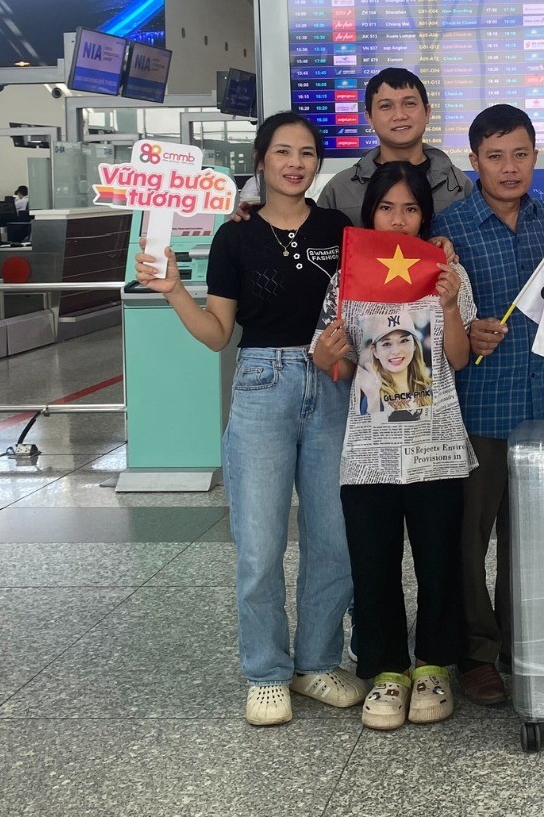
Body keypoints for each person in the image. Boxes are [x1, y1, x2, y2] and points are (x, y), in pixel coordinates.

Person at [134, 111, 365, 726]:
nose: (296, 163)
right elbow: (218, 333)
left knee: (333, 538)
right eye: (282, 151)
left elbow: (365, 308)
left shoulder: (339, 229)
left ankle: (316, 662)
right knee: (259, 545)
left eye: (307, 153)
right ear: (261, 159)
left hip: (333, 384)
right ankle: (266, 672)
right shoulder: (234, 237)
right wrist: (174, 291)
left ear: (319, 164)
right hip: (263, 386)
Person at [311, 161, 477, 730]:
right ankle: (386, 669)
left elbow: (459, 358)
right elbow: (333, 358)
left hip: (435, 446)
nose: (399, 219)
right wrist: (325, 353)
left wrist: (449, 305)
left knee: (439, 561)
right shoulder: (348, 276)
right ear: (370, 213)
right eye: (386, 208)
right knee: (373, 563)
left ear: (425, 215)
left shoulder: (446, 271)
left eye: (410, 208)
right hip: (369, 451)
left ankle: (431, 666)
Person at [430, 105, 544, 706]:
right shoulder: (448, 229)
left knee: (526, 539)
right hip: (477, 404)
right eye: (496, 156)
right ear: (474, 161)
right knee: (468, 540)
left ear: (535, 156)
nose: (510, 168)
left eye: (520, 155)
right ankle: (475, 654)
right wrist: (464, 326)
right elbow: (425, 312)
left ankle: (518, 641)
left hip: (539, 404)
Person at [318, 67, 472, 220]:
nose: (400, 115)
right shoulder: (340, 190)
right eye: (386, 106)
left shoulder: (459, 186)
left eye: (409, 103)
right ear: (369, 118)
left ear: (427, 112)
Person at [361, 323, 434, 420]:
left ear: (414, 345)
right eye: (386, 344)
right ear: (375, 352)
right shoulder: (372, 397)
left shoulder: (430, 388)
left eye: (403, 341)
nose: (396, 351)